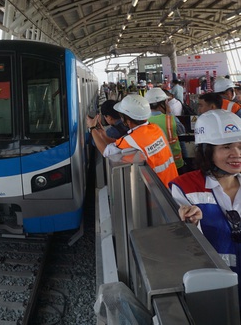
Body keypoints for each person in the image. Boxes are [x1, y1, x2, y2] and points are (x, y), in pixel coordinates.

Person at [170, 110, 241, 305]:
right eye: (226, 147)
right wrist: (190, 222)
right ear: (206, 151)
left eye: (240, 146)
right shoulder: (184, 188)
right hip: (214, 289)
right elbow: (177, 244)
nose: (237, 154)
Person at [87, 94, 178, 187]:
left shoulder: (132, 139)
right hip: (172, 184)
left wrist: (92, 128)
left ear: (128, 120)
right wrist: (102, 134)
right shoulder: (154, 128)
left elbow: (106, 151)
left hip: (159, 190)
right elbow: (118, 145)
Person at [145, 88, 189, 174]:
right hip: (175, 165)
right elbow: (182, 130)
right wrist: (169, 113)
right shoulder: (170, 119)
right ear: (162, 104)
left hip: (155, 166)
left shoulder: (144, 121)